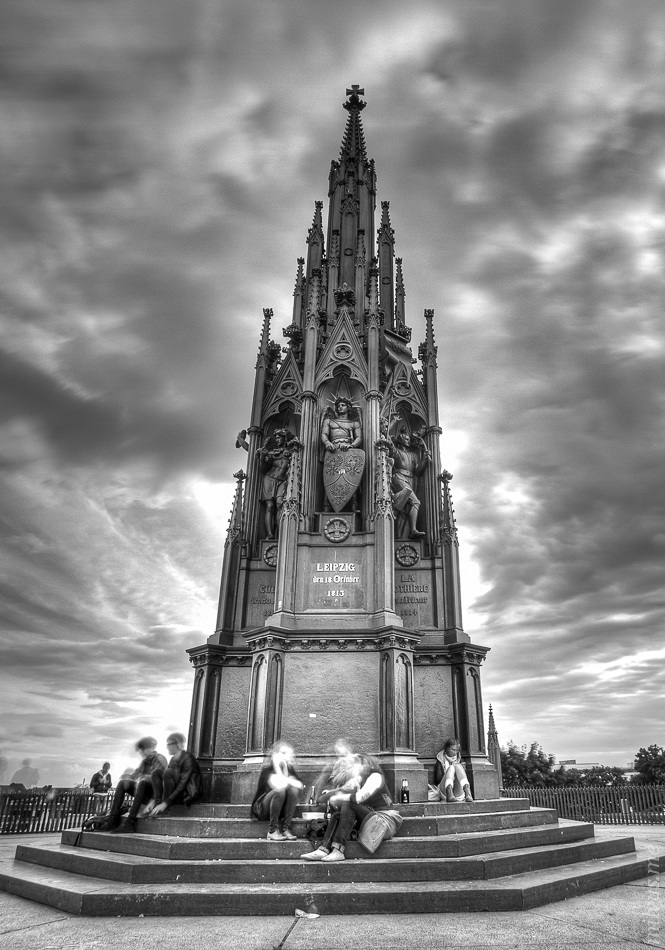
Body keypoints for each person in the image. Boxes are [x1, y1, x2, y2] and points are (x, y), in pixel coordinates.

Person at [302, 753, 393, 863]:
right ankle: (324, 849)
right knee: (337, 816)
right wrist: (332, 794)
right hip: (371, 818)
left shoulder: (375, 776)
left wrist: (337, 797)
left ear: (367, 765)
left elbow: (358, 798)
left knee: (349, 804)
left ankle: (338, 850)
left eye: (356, 766)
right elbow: (326, 797)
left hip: (384, 822)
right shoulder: (359, 779)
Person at [99, 737, 168, 834]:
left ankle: (130, 822)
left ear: (151, 748)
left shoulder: (160, 759)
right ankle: (113, 819)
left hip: (154, 795)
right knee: (122, 783)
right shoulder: (144, 762)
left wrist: (143, 778)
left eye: (143, 750)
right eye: (141, 751)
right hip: (141, 791)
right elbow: (136, 775)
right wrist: (128, 777)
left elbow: (160, 780)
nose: (142, 753)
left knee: (143, 783)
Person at [250, 741, 303, 841]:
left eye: (287, 753)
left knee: (293, 790)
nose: (285, 756)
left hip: (280, 811)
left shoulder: (290, 769)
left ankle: (286, 828)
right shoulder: (267, 770)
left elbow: (300, 786)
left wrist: (285, 768)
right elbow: (280, 785)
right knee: (280, 790)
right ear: (275, 755)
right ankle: (272, 831)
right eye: (282, 753)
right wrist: (277, 765)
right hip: (263, 810)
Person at [389, 424, 431, 539]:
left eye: (408, 439)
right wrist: (392, 422)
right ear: (400, 440)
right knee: (415, 502)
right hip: (399, 478)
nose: (408, 440)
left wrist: (425, 459)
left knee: (405, 509)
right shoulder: (396, 451)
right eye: (405, 438)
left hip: (411, 479)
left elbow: (417, 471)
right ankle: (412, 530)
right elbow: (387, 438)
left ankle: (399, 534)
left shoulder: (413, 454)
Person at [149, 733, 201, 816]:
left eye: (170, 744)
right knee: (157, 772)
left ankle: (165, 807)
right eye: (167, 744)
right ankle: (157, 803)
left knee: (168, 771)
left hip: (187, 794)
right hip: (176, 793)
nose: (167, 747)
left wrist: (166, 802)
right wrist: (153, 799)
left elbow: (183, 783)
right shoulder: (173, 759)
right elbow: (166, 781)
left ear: (178, 745)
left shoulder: (188, 758)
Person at [434, 738, 473, 803]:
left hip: (458, 792)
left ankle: (468, 792)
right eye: (453, 750)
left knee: (457, 765)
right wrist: (451, 773)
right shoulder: (440, 759)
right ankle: (449, 792)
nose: (455, 752)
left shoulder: (459, 758)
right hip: (445, 792)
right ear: (447, 749)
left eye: (457, 750)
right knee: (452, 767)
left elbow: (463, 777)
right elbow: (438, 779)